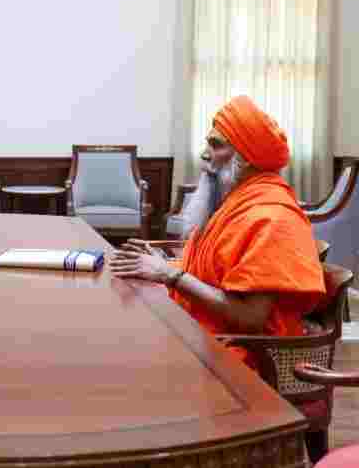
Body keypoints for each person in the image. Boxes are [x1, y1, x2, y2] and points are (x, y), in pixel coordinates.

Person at [110, 96, 326, 366]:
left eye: (216, 145)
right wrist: (163, 263)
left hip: (242, 357)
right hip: (203, 335)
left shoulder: (271, 216)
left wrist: (169, 274)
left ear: (247, 157)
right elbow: (215, 275)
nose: (204, 154)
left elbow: (250, 318)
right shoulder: (236, 201)